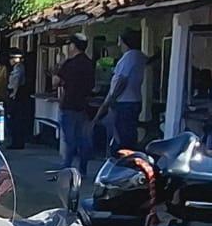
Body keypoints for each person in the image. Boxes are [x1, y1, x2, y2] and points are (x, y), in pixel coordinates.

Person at [93, 29, 146, 150]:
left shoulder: (129, 57)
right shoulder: (139, 56)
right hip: (134, 99)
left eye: (120, 41)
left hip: (124, 102)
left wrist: (112, 98)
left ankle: (124, 161)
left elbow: (122, 80)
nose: (119, 45)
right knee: (128, 133)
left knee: (122, 136)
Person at [53, 34, 96, 175]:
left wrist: (58, 67)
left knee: (70, 140)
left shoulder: (69, 64)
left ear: (73, 46)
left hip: (69, 104)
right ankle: (82, 169)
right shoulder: (89, 64)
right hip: (84, 105)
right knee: (83, 139)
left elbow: (55, 82)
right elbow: (93, 86)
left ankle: (67, 168)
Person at [4, 48, 29, 150]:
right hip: (15, 94)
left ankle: (17, 142)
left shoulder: (19, 68)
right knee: (14, 120)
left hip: (17, 96)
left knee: (16, 120)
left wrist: (13, 93)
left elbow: (16, 82)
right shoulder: (17, 68)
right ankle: (15, 141)